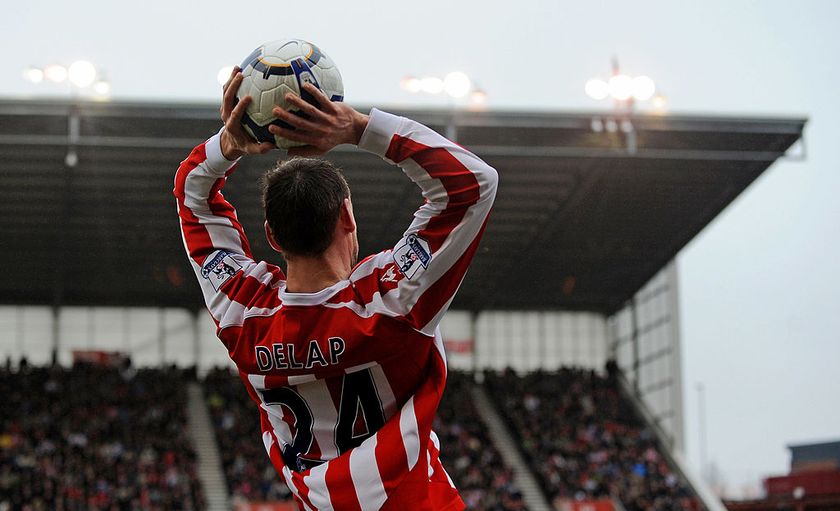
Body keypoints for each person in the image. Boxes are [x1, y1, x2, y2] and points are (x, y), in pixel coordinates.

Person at [174, 67, 498, 511]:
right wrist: (358, 128)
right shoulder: (390, 300)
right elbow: (471, 185)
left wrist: (226, 147)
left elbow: (192, 197)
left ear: (271, 234)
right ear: (347, 216)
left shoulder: (242, 313)